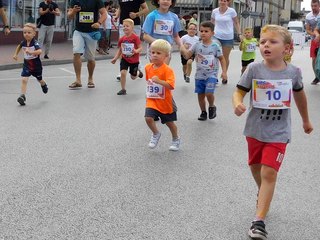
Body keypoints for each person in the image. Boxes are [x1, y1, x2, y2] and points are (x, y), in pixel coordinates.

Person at [232, 25, 313, 240]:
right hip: (255, 130)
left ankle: (258, 221)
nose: (266, 45)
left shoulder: (293, 72)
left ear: (287, 48)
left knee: (269, 173)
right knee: (256, 168)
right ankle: (263, 194)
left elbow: (300, 97)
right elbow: (239, 91)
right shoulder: (254, 70)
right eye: (263, 42)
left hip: (279, 132)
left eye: (272, 42)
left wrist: (306, 120)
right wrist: (238, 103)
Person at [180, 21, 227, 121]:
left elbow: (222, 59)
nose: (203, 33)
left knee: (209, 93)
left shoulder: (215, 46)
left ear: (212, 33)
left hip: (211, 74)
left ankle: (211, 106)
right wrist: (183, 47)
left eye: (206, 31)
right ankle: (203, 112)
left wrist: (224, 72)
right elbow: (187, 55)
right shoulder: (197, 45)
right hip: (199, 75)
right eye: (201, 31)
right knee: (200, 95)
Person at [145, 39, 180, 151]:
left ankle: (175, 138)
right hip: (152, 99)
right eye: (153, 52)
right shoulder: (147, 68)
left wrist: (159, 81)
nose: (154, 55)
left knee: (169, 123)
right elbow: (149, 82)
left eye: (158, 53)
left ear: (166, 56)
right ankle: (156, 133)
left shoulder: (167, 70)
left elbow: (171, 85)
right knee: (148, 118)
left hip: (165, 101)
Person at [67, 0, 107, 89]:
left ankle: (90, 78)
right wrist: (73, 11)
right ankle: (78, 80)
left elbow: (104, 13)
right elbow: (69, 16)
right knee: (76, 52)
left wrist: (99, 23)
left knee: (91, 58)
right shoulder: (75, 0)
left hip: (92, 32)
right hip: (79, 31)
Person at [12, 23, 48, 106]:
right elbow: (19, 46)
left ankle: (44, 85)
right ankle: (22, 96)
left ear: (34, 34)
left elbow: (39, 51)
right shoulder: (23, 42)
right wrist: (15, 54)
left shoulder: (35, 43)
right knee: (24, 79)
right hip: (27, 64)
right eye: (24, 32)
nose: (26, 34)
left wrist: (31, 52)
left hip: (36, 65)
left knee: (39, 79)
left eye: (29, 32)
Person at [115, 0, 149, 80]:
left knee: (134, 47)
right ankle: (122, 71)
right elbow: (120, 7)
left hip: (135, 25)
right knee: (123, 47)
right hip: (123, 25)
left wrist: (136, 14)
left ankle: (137, 66)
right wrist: (117, 15)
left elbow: (146, 9)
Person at [211, 0, 241, 84]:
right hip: (216, 36)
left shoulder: (231, 11)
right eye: (221, 0)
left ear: (227, 2)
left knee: (225, 57)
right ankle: (214, 76)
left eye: (224, 1)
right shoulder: (215, 11)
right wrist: (208, 33)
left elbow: (236, 22)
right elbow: (212, 23)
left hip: (228, 37)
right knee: (215, 55)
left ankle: (224, 73)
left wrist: (239, 33)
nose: (222, 2)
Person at [111, 18, 143, 95]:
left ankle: (138, 73)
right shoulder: (122, 39)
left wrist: (136, 51)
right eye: (124, 26)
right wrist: (115, 58)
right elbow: (120, 50)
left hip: (134, 60)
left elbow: (140, 48)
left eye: (127, 26)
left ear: (132, 28)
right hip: (124, 59)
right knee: (123, 73)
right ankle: (123, 89)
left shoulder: (135, 38)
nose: (125, 27)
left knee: (133, 77)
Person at [142, 0, 181, 64]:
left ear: (171, 2)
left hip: (167, 50)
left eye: (168, 0)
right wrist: (159, 43)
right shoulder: (151, 16)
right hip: (154, 50)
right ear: (158, 1)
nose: (165, 1)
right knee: (155, 70)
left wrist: (182, 47)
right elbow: (145, 36)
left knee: (164, 70)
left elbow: (176, 36)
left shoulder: (174, 17)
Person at [305, 0, 320, 84]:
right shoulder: (308, 16)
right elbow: (307, 30)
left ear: (319, 6)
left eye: (315, 6)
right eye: (312, 6)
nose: (313, 8)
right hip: (315, 40)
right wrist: (315, 35)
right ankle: (316, 77)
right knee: (314, 59)